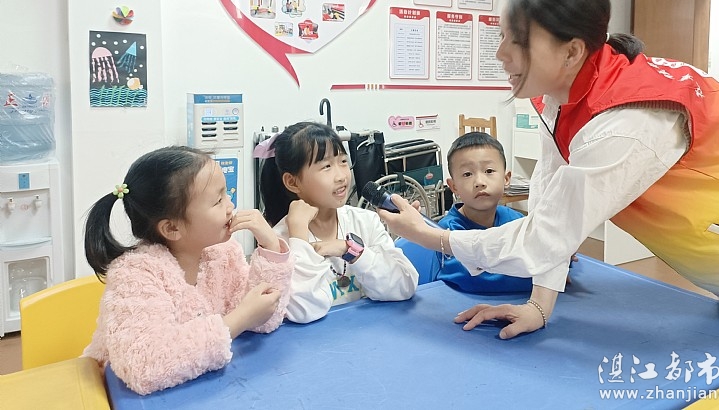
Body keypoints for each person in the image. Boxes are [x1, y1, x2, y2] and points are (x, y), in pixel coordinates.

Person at [378, 0, 719, 340]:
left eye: (518, 41)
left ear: (572, 51)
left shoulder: (630, 121)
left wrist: (431, 236)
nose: (500, 54)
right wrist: (539, 305)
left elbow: (543, 238)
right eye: (502, 36)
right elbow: (550, 209)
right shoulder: (561, 99)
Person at [83, 146, 294, 395]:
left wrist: (271, 247)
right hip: (111, 397)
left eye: (226, 194)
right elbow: (146, 367)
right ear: (172, 228)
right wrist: (240, 319)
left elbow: (263, 319)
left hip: (197, 390)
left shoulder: (223, 253)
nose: (230, 206)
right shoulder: (135, 275)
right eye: (218, 201)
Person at [258, 121, 418, 323]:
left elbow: (405, 286)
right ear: (292, 182)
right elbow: (306, 311)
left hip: (371, 333)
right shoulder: (279, 241)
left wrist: (351, 251)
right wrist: (299, 237)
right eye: (326, 166)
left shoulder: (365, 221)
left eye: (343, 161)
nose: (341, 176)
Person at [435, 131, 532, 293]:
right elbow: (477, 280)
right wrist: (541, 276)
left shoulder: (515, 219)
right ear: (454, 186)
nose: (479, 182)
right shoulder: (447, 230)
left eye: (489, 171)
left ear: (506, 179)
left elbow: (541, 249)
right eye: (467, 174)